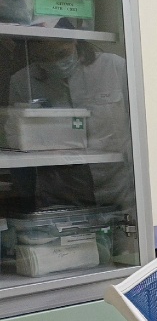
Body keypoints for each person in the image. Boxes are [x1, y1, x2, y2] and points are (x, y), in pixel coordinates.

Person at [7, 38, 133, 208]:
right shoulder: (23, 82)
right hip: (62, 192)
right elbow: (14, 137)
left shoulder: (114, 67)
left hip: (118, 187)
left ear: (74, 41)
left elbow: (141, 126)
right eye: (44, 59)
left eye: (61, 54)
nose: (55, 63)